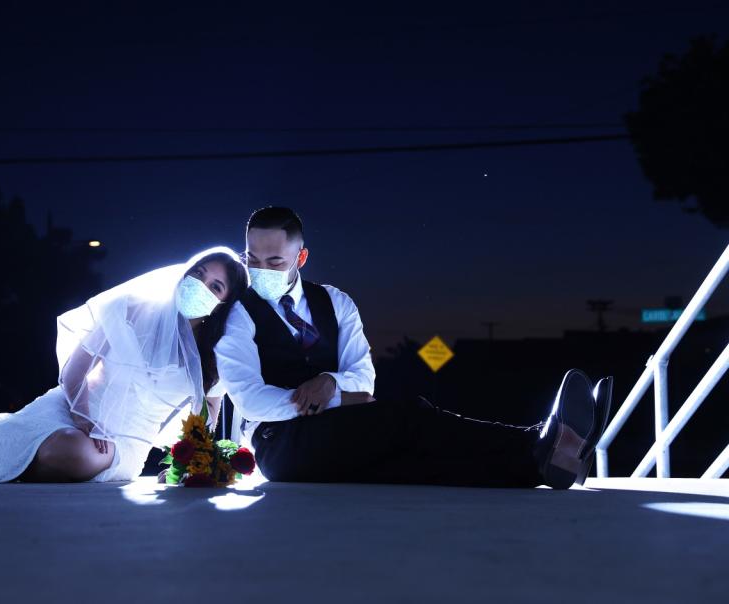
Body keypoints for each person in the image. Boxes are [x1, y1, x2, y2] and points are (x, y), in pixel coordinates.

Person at [215, 207, 612, 488]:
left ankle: (545, 466)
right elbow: (250, 400)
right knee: (407, 416)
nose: (260, 272)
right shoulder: (240, 314)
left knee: (413, 463)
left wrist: (332, 383)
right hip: (280, 444)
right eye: (252, 259)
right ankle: (539, 441)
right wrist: (334, 398)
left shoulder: (336, 303)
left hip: (340, 432)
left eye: (274, 261)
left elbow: (363, 378)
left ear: (300, 257)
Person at [0, 247, 249, 485]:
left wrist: (192, 457)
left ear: (224, 303)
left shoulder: (213, 355)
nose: (202, 285)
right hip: (73, 406)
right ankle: (9, 462)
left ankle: (24, 469)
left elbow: (208, 412)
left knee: (70, 453)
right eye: (199, 274)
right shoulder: (132, 309)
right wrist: (83, 416)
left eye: (216, 287)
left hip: (122, 442)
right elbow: (76, 367)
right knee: (19, 439)